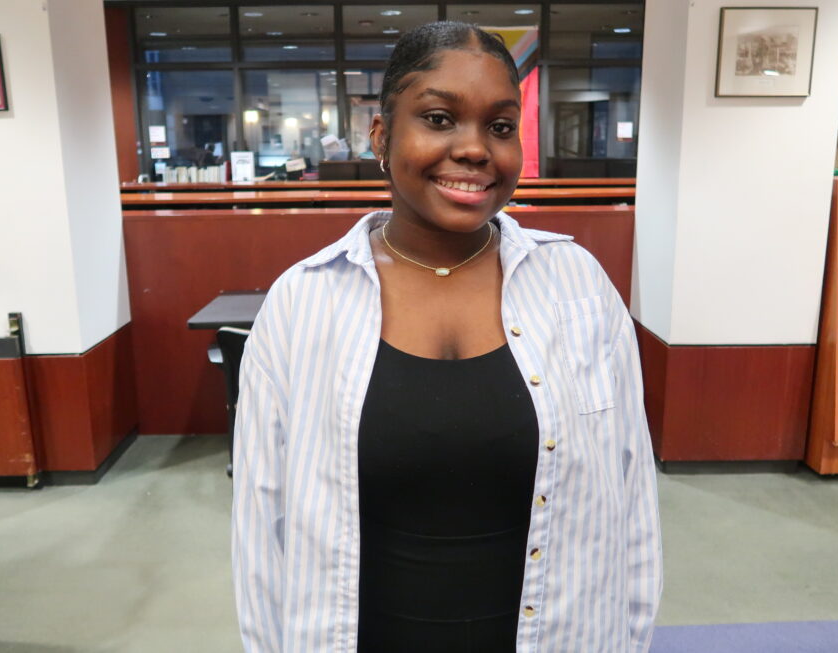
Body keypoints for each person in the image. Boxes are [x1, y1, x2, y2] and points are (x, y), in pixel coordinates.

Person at [231, 21, 661, 653]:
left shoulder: (578, 287)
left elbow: (632, 502)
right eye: (438, 119)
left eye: (500, 125)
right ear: (381, 136)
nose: (474, 149)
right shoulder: (304, 302)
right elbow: (261, 529)